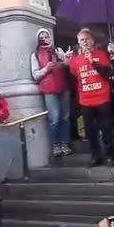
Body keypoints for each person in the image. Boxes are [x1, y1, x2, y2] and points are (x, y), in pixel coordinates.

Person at [69, 29, 114, 167]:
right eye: (82, 39)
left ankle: (109, 155)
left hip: (102, 98)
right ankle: (96, 156)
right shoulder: (75, 60)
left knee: (106, 128)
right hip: (86, 100)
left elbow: (108, 72)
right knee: (90, 131)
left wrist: (93, 62)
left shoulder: (101, 54)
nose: (85, 41)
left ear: (92, 41)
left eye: (87, 39)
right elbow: (75, 76)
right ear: (78, 43)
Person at [31, 28, 72, 157]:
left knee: (65, 117)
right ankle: (56, 145)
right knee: (55, 118)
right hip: (49, 89)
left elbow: (66, 63)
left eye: (46, 35)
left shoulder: (57, 50)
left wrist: (67, 57)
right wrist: (46, 69)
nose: (44, 38)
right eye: (41, 36)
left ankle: (65, 144)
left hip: (63, 87)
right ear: (38, 40)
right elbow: (35, 74)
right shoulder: (35, 55)